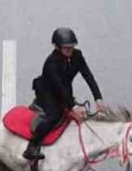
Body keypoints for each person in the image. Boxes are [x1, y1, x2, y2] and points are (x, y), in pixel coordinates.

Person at [23, 28, 105, 162]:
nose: (70, 51)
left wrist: (98, 98)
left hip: (65, 91)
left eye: (72, 47)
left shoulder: (77, 56)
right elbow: (59, 87)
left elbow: (88, 76)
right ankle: (32, 146)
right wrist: (73, 107)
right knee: (54, 116)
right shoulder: (51, 63)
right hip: (49, 94)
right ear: (57, 47)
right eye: (66, 48)